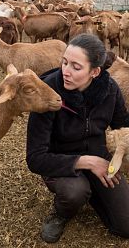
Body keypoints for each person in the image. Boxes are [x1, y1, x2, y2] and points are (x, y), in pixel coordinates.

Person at [26, 33, 129, 243]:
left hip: (100, 158)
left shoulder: (110, 90)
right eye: (64, 62)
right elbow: (35, 158)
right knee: (75, 191)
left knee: (126, 225)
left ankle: (96, 193)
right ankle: (62, 212)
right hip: (61, 162)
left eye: (76, 66)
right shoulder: (47, 93)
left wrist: (114, 156)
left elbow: (123, 125)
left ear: (95, 71)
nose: (66, 71)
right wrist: (87, 162)